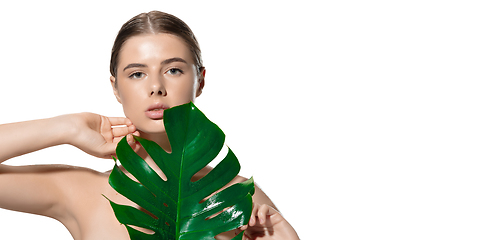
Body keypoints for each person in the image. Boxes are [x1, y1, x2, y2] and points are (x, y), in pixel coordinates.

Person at [0, 11, 299, 240]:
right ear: (116, 88)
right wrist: (67, 127)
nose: (156, 87)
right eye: (137, 74)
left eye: (173, 70)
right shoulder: (79, 191)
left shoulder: (238, 197)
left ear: (201, 80)